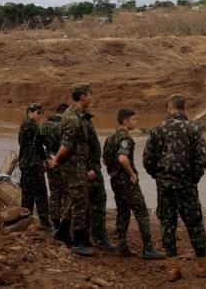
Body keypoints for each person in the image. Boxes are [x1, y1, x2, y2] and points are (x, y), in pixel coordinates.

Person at [143, 94, 206, 281]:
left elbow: (147, 160)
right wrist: (193, 178)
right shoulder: (193, 128)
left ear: (169, 107)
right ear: (184, 107)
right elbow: (203, 158)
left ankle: (173, 268)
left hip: (164, 187)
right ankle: (202, 266)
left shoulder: (156, 130)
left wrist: (159, 176)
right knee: (194, 224)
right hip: (186, 185)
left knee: (167, 225)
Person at [102, 109, 165, 259]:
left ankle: (122, 246)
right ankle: (148, 248)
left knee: (123, 213)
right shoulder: (125, 139)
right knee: (142, 212)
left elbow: (105, 159)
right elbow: (122, 158)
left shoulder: (110, 138)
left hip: (115, 180)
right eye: (134, 120)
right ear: (125, 121)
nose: (136, 122)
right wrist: (131, 174)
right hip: (126, 181)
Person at [49, 83, 95, 256]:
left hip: (78, 164)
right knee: (80, 202)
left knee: (76, 199)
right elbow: (65, 146)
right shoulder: (72, 118)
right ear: (82, 96)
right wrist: (56, 161)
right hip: (72, 165)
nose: (91, 98)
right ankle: (78, 242)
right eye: (90, 95)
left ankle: (61, 231)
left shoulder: (78, 115)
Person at [85, 109, 116, 251]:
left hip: (90, 168)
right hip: (91, 170)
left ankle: (84, 236)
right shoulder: (83, 126)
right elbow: (81, 149)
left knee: (86, 203)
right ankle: (99, 238)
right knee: (98, 202)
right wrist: (89, 167)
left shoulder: (82, 124)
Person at [18, 103, 50, 228]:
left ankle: (25, 218)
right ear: (30, 112)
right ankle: (44, 221)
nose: (40, 116)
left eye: (41, 113)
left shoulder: (25, 124)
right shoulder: (32, 125)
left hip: (25, 163)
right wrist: (43, 159)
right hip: (33, 164)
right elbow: (38, 145)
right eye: (38, 113)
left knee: (27, 192)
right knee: (41, 192)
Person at [40, 103, 69, 232]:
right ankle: (64, 223)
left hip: (49, 158)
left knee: (54, 192)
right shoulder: (63, 126)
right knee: (65, 192)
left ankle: (55, 222)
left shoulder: (44, 125)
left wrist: (44, 158)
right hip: (61, 160)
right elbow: (66, 145)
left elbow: (38, 143)